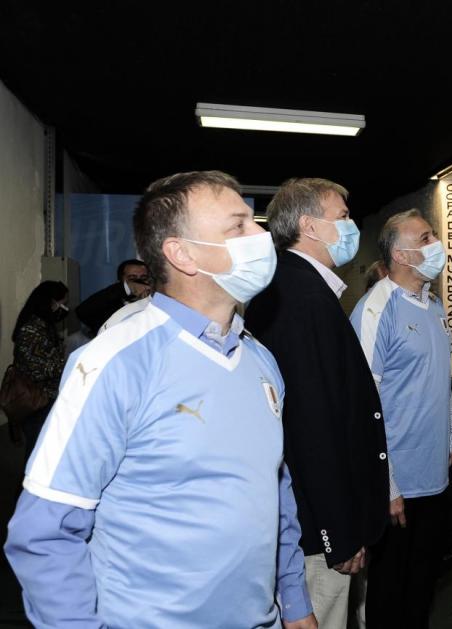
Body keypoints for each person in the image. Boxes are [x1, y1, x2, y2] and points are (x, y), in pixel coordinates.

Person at [4, 171, 317, 628]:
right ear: (182, 253)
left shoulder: (260, 361)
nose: (260, 236)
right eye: (239, 225)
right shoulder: (116, 361)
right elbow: (45, 533)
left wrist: (295, 601)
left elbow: (275, 491)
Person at [244, 178, 389, 629]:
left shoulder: (303, 288)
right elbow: (310, 425)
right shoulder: (299, 297)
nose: (351, 225)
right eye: (342, 216)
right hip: (316, 533)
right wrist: (338, 534)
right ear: (309, 225)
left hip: (319, 520)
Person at [350, 208, 452, 629]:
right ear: (400, 255)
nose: (435, 244)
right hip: (396, 485)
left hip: (435, 476)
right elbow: (360, 405)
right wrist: (386, 484)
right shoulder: (375, 309)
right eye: (424, 238)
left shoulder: (433, 306)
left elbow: (439, 382)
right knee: (387, 594)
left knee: (423, 585)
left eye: (433, 235)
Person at [9, 281, 68, 454]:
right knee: (37, 451)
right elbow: (38, 369)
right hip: (36, 400)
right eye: (62, 304)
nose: (64, 308)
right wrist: (69, 363)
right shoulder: (32, 329)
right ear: (50, 302)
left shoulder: (43, 326)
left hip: (44, 398)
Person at [74, 259, 151, 335]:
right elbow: (83, 311)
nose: (139, 282)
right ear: (120, 281)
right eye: (132, 278)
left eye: (144, 278)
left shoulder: (153, 303)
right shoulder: (110, 305)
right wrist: (127, 289)